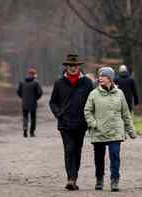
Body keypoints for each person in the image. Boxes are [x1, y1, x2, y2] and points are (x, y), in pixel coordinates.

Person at [84, 66, 136, 192]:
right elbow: (87, 111)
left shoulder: (120, 93)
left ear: (111, 79)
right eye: (100, 76)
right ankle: (99, 179)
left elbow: (125, 113)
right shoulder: (93, 94)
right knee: (99, 158)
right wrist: (93, 123)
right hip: (98, 131)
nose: (100, 78)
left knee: (115, 156)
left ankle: (114, 180)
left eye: (104, 76)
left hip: (115, 131)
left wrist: (131, 130)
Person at [49, 54, 94, 191]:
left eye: (75, 66)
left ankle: (74, 177)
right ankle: (71, 179)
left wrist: (91, 119)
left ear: (78, 66)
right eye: (70, 66)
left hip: (81, 123)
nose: (73, 68)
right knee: (69, 149)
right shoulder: (59, 83)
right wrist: (59, 114)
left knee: (77, 150)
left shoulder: (87, 83)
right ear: (66, 67)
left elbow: (93, 102)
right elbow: (53, 102)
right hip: (65, 124)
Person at [17, 67, 43, 137]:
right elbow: (40, 92)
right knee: (33, 118)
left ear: (28, 74)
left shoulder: (22, 82)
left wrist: (23, 98)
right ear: (33, 75)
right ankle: (32, 132)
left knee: (25, 117)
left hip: (24, 103)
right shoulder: (36, 83)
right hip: (33, 104)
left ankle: (25, 129)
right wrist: (36, 98)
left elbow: (18, 92)